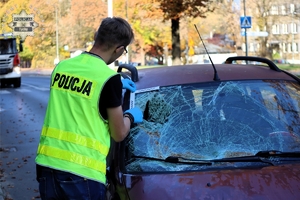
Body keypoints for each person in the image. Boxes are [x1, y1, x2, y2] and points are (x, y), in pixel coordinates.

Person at [35, 17, 143, 200]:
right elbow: (119, 133)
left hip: (47, 166)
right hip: (82, 173)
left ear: (96, 36)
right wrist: (131, 116)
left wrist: (114, 91)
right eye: (123, 50)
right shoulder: (109, 79)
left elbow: (80, 96)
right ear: (118, 49)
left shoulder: (62, 67)